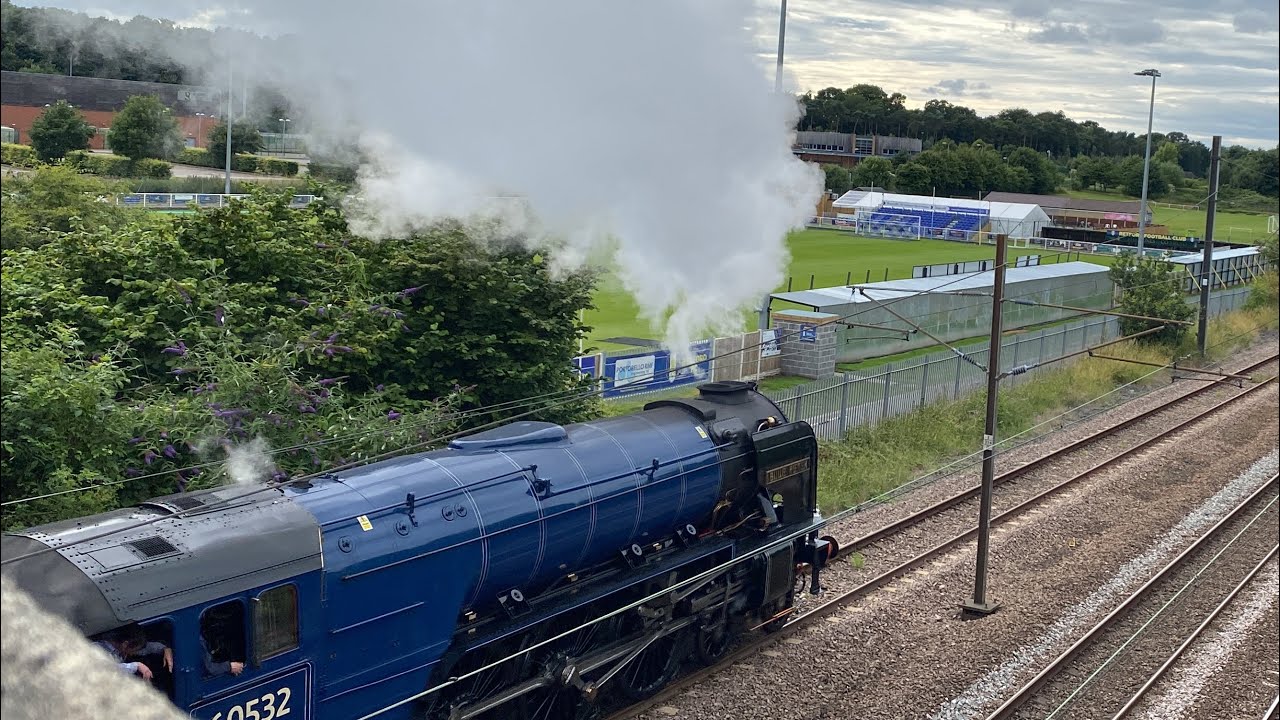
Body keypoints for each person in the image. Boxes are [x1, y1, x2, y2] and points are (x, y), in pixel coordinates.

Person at [93, 624, 172, 681]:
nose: (132, 654)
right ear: (125, 644)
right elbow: (105, 670)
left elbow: (146, 648)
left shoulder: (121, 648)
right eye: (133, 650)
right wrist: (137, 666)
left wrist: (164, 648)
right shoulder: (96, 648)